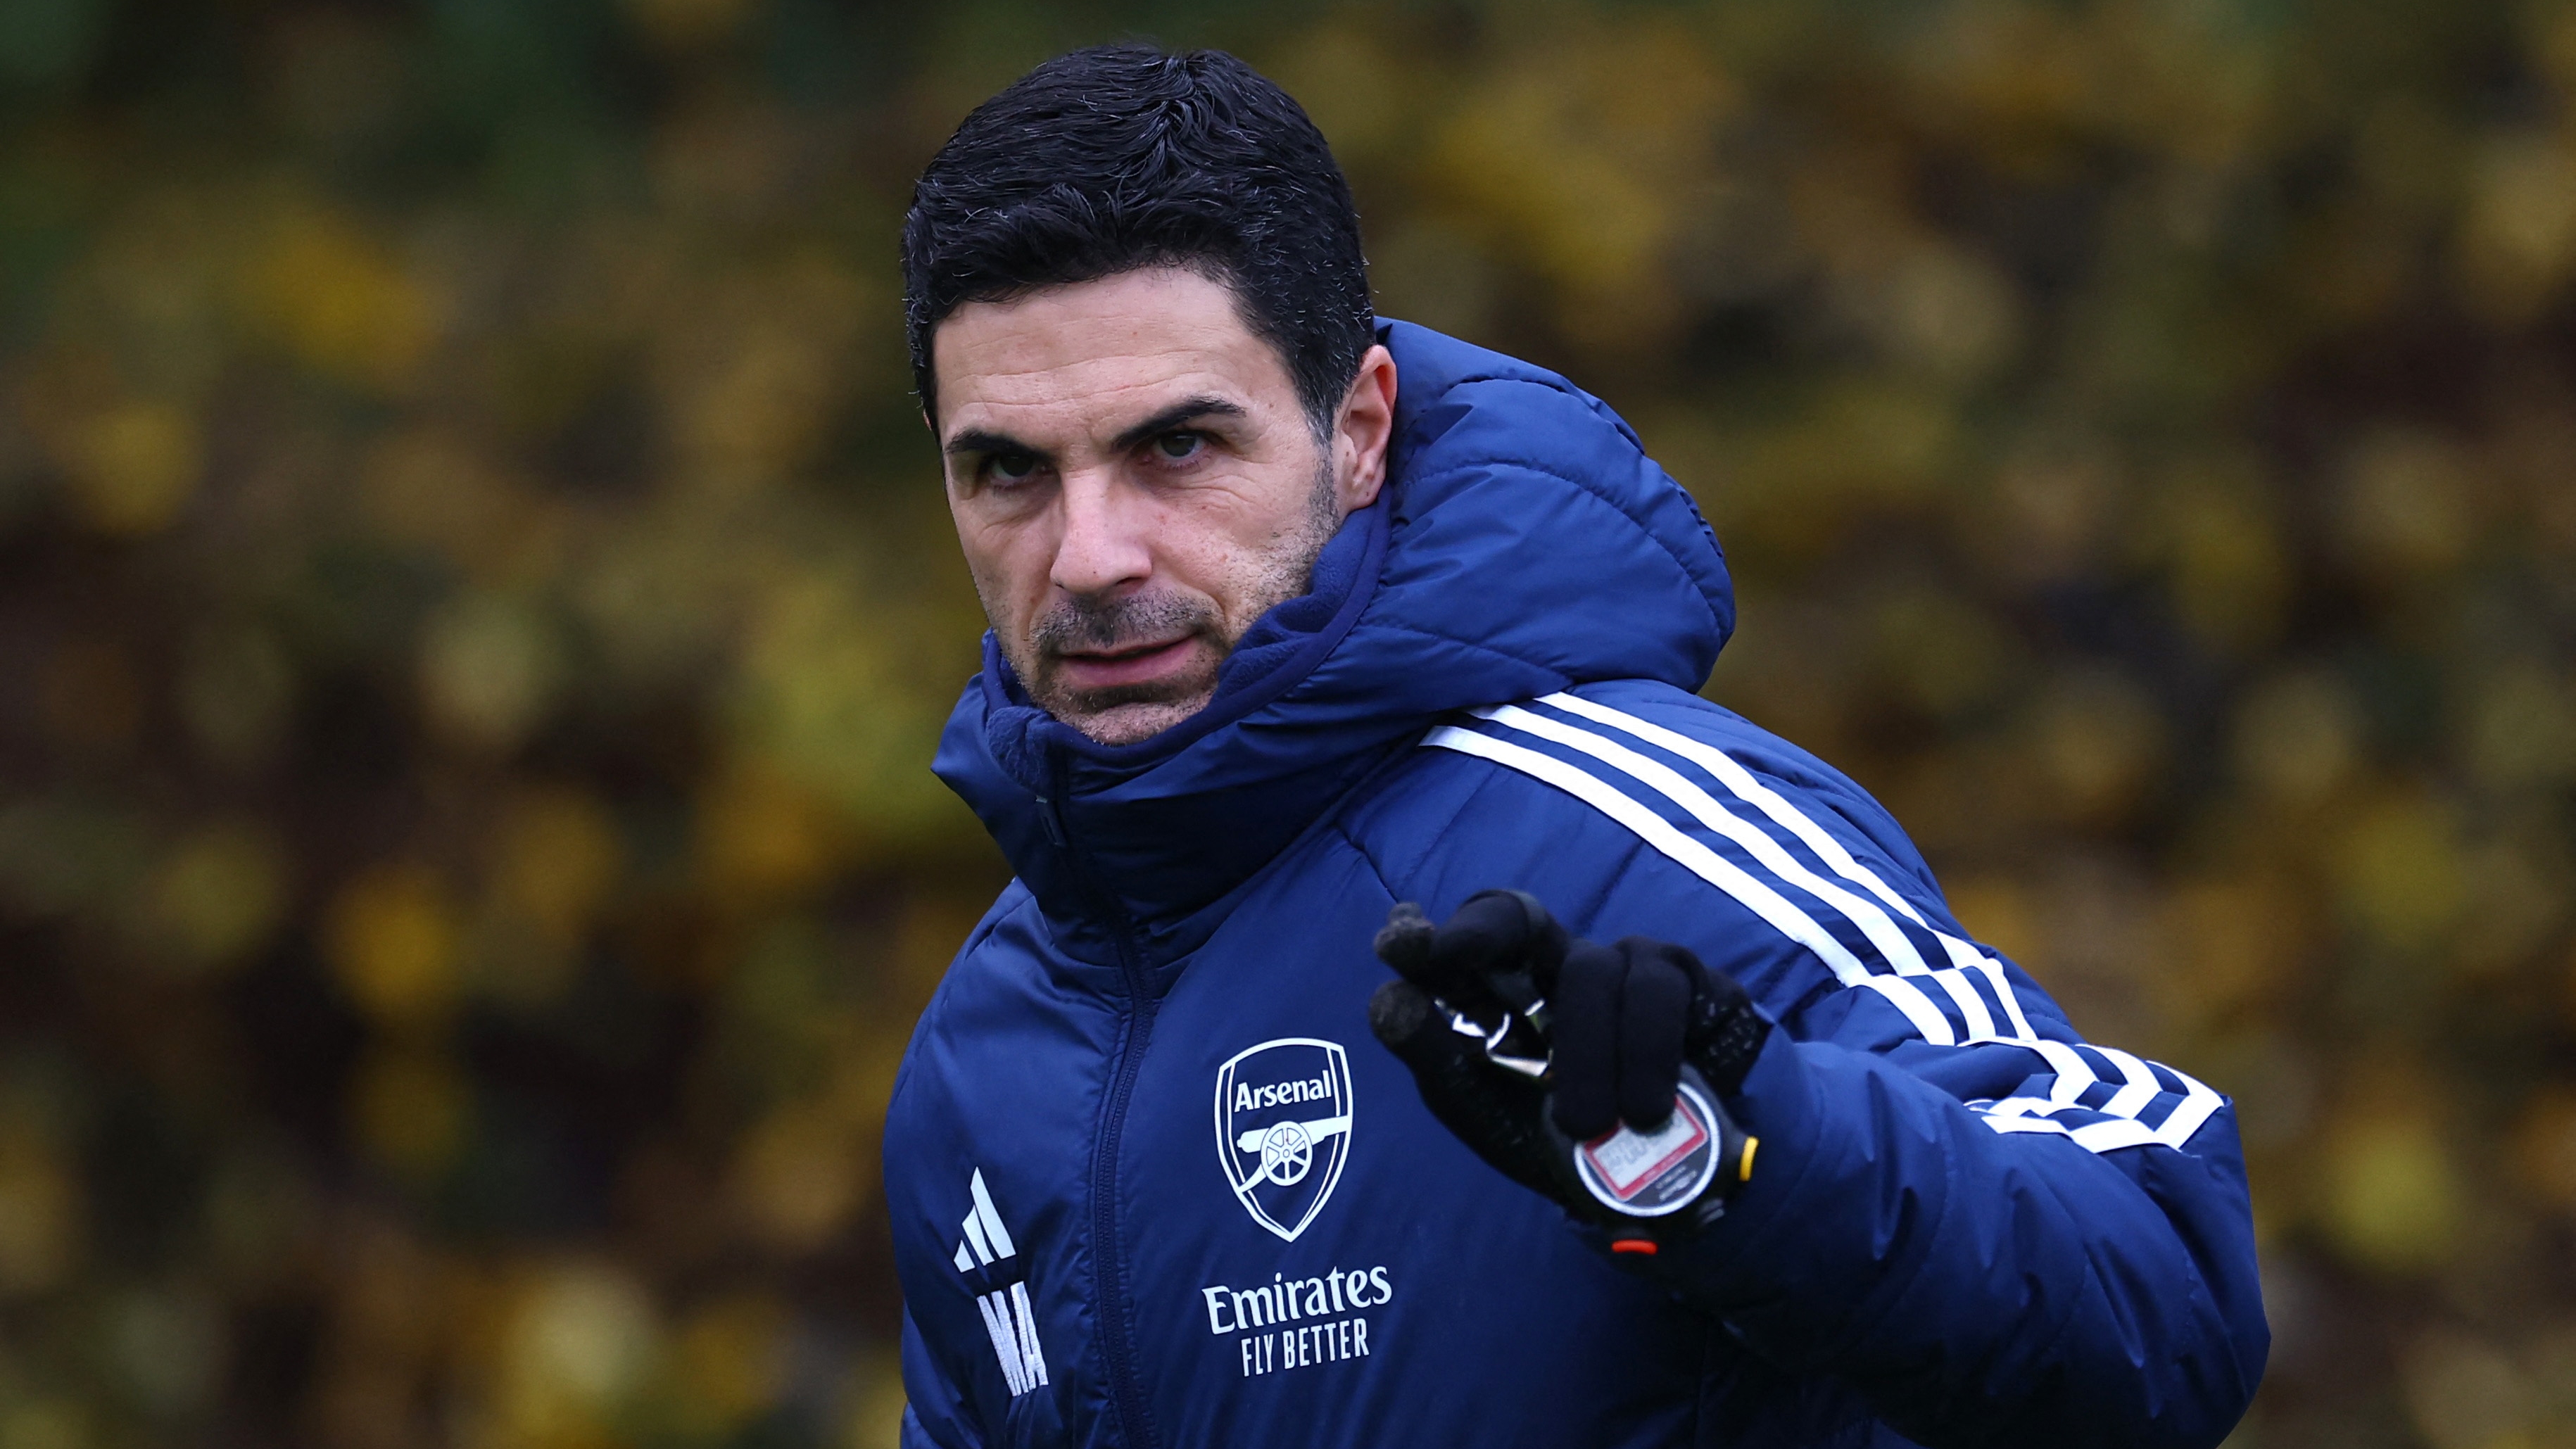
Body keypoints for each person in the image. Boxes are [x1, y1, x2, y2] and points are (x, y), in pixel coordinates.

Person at [883, 42, 2266, 1449]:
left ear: (1357, 431)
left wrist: (1752, 1158)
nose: (1091, 556)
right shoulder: (978, 1046)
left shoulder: (1638, 836)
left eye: (1177, 448)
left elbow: (2162, 1292)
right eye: (1009, 471)